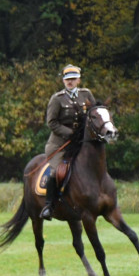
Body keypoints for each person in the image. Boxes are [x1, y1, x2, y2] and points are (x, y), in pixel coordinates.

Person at [40, 64, 97, 220]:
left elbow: (94, 114)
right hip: (59, 145)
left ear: (78, 80)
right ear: (63, 81)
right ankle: (49, 206)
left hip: (80, 143)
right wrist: (70, 133)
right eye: (67, 79)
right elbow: (51, 123)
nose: (70, 82)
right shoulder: (57, 99)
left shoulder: (86, 94)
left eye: (73, 79)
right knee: (56, 172)